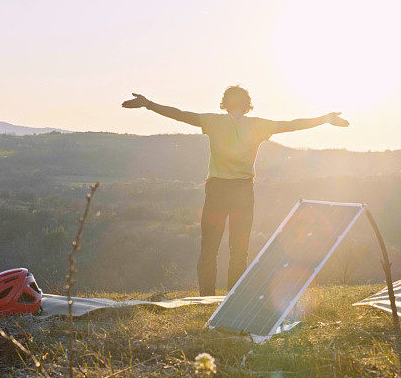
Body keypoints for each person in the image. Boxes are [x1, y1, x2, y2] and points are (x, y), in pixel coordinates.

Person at [122, 86, 349, 295]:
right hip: (242, 191)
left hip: (217, 190)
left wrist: (148, 104)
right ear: (247, 104)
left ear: (224, 103)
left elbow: (180, 114)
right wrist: (325, 119)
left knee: (209, 248)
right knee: (239, 250)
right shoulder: (258, 125)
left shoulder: (213, 121)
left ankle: (206, 298)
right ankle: (233, 298)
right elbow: (292, 124)